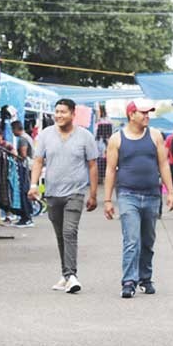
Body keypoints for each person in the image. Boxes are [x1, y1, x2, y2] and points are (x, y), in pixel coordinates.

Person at [104, 99, 173, 298]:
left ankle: (145, 277)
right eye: (143, 113)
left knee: (148, 240)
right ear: (131, 114)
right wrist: (107, 200)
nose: (147, 116)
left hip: (152, 195)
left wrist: (170, 192)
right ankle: (129, 281)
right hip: (128, 195)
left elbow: (164, 164)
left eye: (148, 113)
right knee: (132, 240)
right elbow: (110, 170)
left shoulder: (155, 136)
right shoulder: (116, 139)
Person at [28, 98, 99, 294]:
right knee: (60, 235)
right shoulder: (45, 135)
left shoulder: (85, 136)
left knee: (69, 232)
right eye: (56, 111)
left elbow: (93, 165)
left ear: (73, 114)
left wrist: (92, 194)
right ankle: (66, 275)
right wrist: (33, 185)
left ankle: (72, 275)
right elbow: (38, 161)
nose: (59, 115)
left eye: (63, 112)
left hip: (75, 192)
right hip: (52, 193)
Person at [11, 120, 35, 228]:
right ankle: (26, 217)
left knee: (24, 191)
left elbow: (23, 154)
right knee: (25, 191)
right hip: (30, 166)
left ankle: (26, 217)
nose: (12, 132)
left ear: (16, 129)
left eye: (12, 129)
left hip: (25, 167)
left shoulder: (22, 139)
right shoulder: (27, 136)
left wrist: (14, 156)